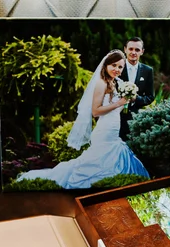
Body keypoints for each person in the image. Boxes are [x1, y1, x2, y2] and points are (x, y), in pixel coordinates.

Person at [17, 49, 149, 189]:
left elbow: (117, 108)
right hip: (103, 132)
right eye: (114, 65)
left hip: (114, 131)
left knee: (115, 158)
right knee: (97, 162)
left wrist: (129, 98)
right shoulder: (101, 83)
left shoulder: (117, 83)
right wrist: (119, 103)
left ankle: (113, 184)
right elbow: (96, 111)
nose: (116, 69)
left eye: (120, 67)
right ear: (106, 65)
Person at [119, 37, 155, 141]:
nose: (133, 52)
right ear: (125, 49)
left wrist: (136, 99)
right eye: (130, 49)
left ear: (142, 52)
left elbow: (150, 96)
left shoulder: (147, 70)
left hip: (135, 119)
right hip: (116, 116)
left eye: (137, 50)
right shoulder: (117, 68)